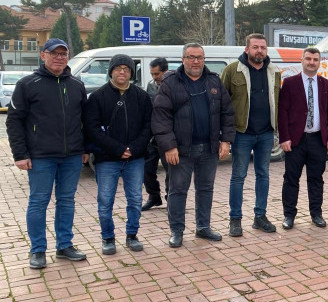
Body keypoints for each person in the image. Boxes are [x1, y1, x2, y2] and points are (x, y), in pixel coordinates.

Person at [7, 38, 89, 269]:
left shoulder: (76, 84)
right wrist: (20, 154)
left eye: (63, 54)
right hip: (40, 156)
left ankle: (64, 245)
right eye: (54, 53)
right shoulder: (27, 84)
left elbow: (85, 120)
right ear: (43, 55)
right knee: (38, 201)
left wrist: (85, 149)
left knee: (67, 200)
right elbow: (14, 121)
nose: (59, 58)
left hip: (72, 156)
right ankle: (37, 250)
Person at [151, 43, 235, 248]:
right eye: (191, 57)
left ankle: (203, 227)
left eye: (200, 57)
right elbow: (161, 117)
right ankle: (176, 231)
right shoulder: (170, 83)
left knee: (205, 189)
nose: (196, 61)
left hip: (209, 148)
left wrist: (226, 140)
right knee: (178, 190)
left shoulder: (214, 80)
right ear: (183, 60)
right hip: (181, 150)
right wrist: (169, 146)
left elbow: (227, 112)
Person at [86, 54, 152, 255]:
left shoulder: (142, 96)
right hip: (107, 159)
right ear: (111, 71)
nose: (122, 72)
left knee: (135, 199)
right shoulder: (97, 97)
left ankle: (132, 235)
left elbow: (148, 126)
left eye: (126, 68)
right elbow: (92, 129)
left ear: (131, 72)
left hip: (135, 158)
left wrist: (134, 148)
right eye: (118, 68)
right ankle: (108, 238)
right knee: (105, 201)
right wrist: (117, 149)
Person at [221, 34, 281, 237]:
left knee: (263, 175)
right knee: (238, 176)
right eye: (255, 47)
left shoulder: (274, 71)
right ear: (247, 49)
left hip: (265, 133)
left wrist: (276, 129)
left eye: (263, 47)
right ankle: (235, 219)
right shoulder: (233, 70)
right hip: (242, 133)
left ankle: (260, 216)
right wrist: (225, 135)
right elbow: (222, 103)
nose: (259, 51)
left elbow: (277, 100)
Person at [278, 47, 328, 229]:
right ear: (302, 60)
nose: (312, 62)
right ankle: (289, 215)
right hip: (295, 140)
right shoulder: (290, 83)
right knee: (291, 179)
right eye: (308, 59)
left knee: (316, 179)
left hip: (318, 140)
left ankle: (316, 214)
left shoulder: (326, 84)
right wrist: (284, 137)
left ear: (319, 62)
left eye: (315, 59)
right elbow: (283, 111)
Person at [142, 57, 170, 211]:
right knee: (147, 168)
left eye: (157, 74)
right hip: (152, 135)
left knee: (170, 170)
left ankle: (171, 198)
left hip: (167, 135)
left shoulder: (174, 84)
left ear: (165, 71)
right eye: (152, 74)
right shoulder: (151, 86)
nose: (154, 77)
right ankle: (153, 196)